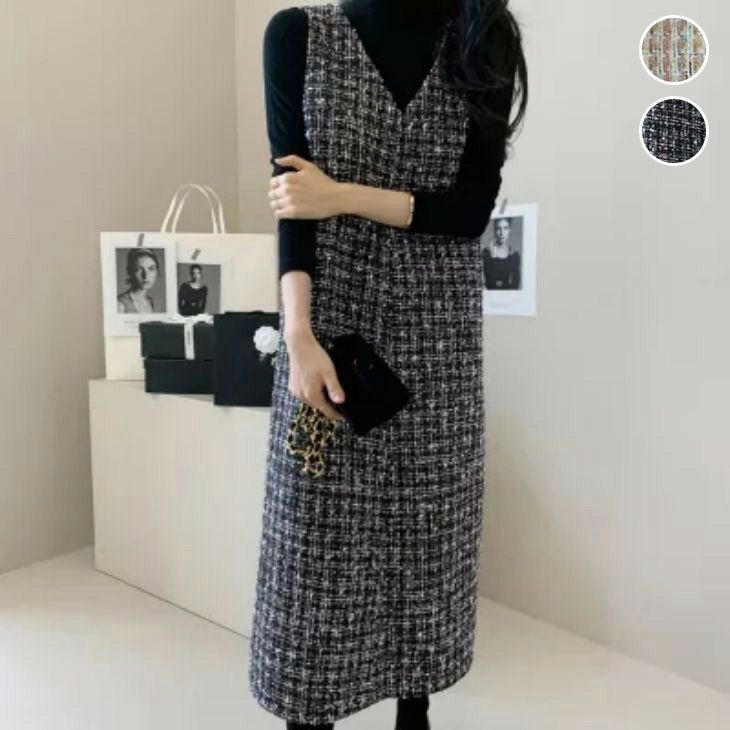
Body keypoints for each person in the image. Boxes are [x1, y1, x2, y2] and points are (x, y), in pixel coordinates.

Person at [250, 1, 528, 728]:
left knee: (427, 538)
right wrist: (297, 334)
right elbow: (292, 201)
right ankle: (308, 711)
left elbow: (468, 211)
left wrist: (340, 196)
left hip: (439, 337)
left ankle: (415, 707)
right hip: (328, 329)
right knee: (313, 546)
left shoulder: (480, 39)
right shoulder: (298, 35)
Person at [116, 248, 160, 314]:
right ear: (130, 272)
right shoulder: (119, 304)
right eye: (139, 269)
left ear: (157, 272)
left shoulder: (150, 302)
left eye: (151, 269)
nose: (145, 275)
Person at [482, 216, 521, 289]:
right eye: (498, 228)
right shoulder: (486, 253)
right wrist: (493, 258)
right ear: (495, 230)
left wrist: (494, 259)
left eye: (505, 228)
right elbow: (489, 283)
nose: (501, 233)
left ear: (510, 230)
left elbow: (515, 286)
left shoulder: (515, 255)